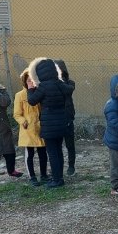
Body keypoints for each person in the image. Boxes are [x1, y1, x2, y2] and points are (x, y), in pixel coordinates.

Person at [27, 57, 74, 187]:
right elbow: (69, 89)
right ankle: (60, 177)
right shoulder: (60, 84)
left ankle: (57, 179)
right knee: (58, 150)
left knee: (52, 152)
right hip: (62, 122)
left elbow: (32, 101)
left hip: (49, 125)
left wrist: (30, 89)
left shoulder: (43, 87)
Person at [13, 69, 48, 186]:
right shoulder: (20, 95)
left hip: (39, 128)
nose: (31, 83)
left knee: (43, 153)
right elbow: (17, 114)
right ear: (24, 81)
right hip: (28, 129)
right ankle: (32, 176)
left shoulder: (39, 93)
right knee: (30, 154)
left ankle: (44, 175)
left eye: (33, 80)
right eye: (28, 81)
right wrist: (23, 121)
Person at [55, 59, 77, 176]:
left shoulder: (70, 83)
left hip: (68, 118)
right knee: (57, 145)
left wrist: (59, 81)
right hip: (56, 118)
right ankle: (59, 166)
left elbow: (67, 91)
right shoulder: (52, 83)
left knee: (70, 144)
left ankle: (71, 166)